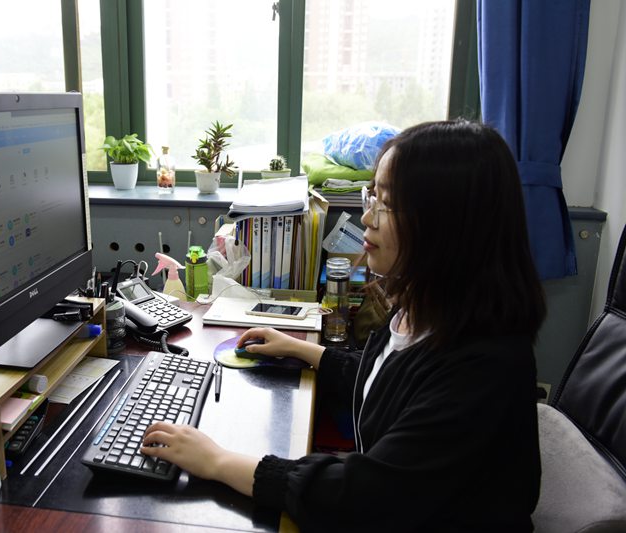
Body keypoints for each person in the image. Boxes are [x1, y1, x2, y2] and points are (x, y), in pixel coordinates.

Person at [141, 120, 546, 532]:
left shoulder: (483, 364)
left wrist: (218, 461)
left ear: (447, 224)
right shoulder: (423, 312)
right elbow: (387, 380)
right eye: (373, 195)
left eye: (387, 203)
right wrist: (301, 349)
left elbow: (364, 497)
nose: (367, 217)